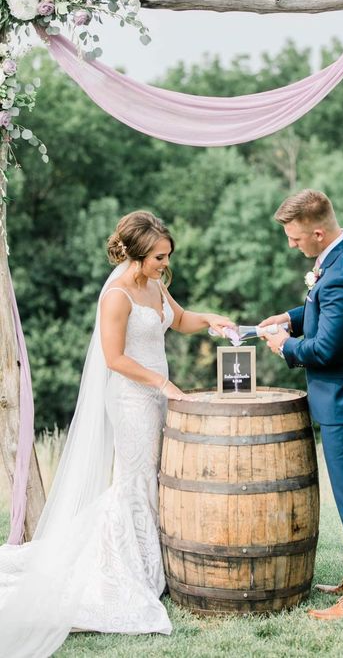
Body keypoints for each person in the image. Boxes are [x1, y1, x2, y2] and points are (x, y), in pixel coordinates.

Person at [0, 211, 234, 657]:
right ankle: (132, 570)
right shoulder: (117, 294)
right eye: (158, 257)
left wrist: (212, 320)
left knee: (155, 477)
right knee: (136, 479)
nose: (165, 264)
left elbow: (178, 319)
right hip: (131, 398)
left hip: (158, 394)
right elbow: (114, 358)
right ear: (137, 254)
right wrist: (164, 385)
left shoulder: (154, 283)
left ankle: (155, 565)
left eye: (167, 256)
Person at [260, 190, 343, 620]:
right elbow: (325, 308)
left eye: (296, 239)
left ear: (318, 232)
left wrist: (285, 345)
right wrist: (289, 317)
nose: (291, 245)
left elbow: (325, 349)